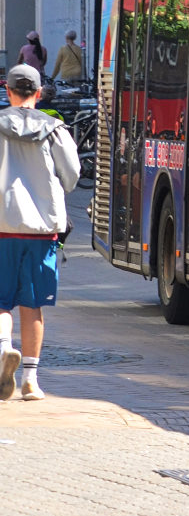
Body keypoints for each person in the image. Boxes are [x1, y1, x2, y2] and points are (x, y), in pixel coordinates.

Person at [0, 65, 80, 401]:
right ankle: (31, 381)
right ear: (39, 92)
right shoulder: (55, 129)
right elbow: (73, 174)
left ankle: (4, 349)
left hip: (1, 227)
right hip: (41, 230)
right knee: (33, 306)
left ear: (8, 91)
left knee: (1, 302)